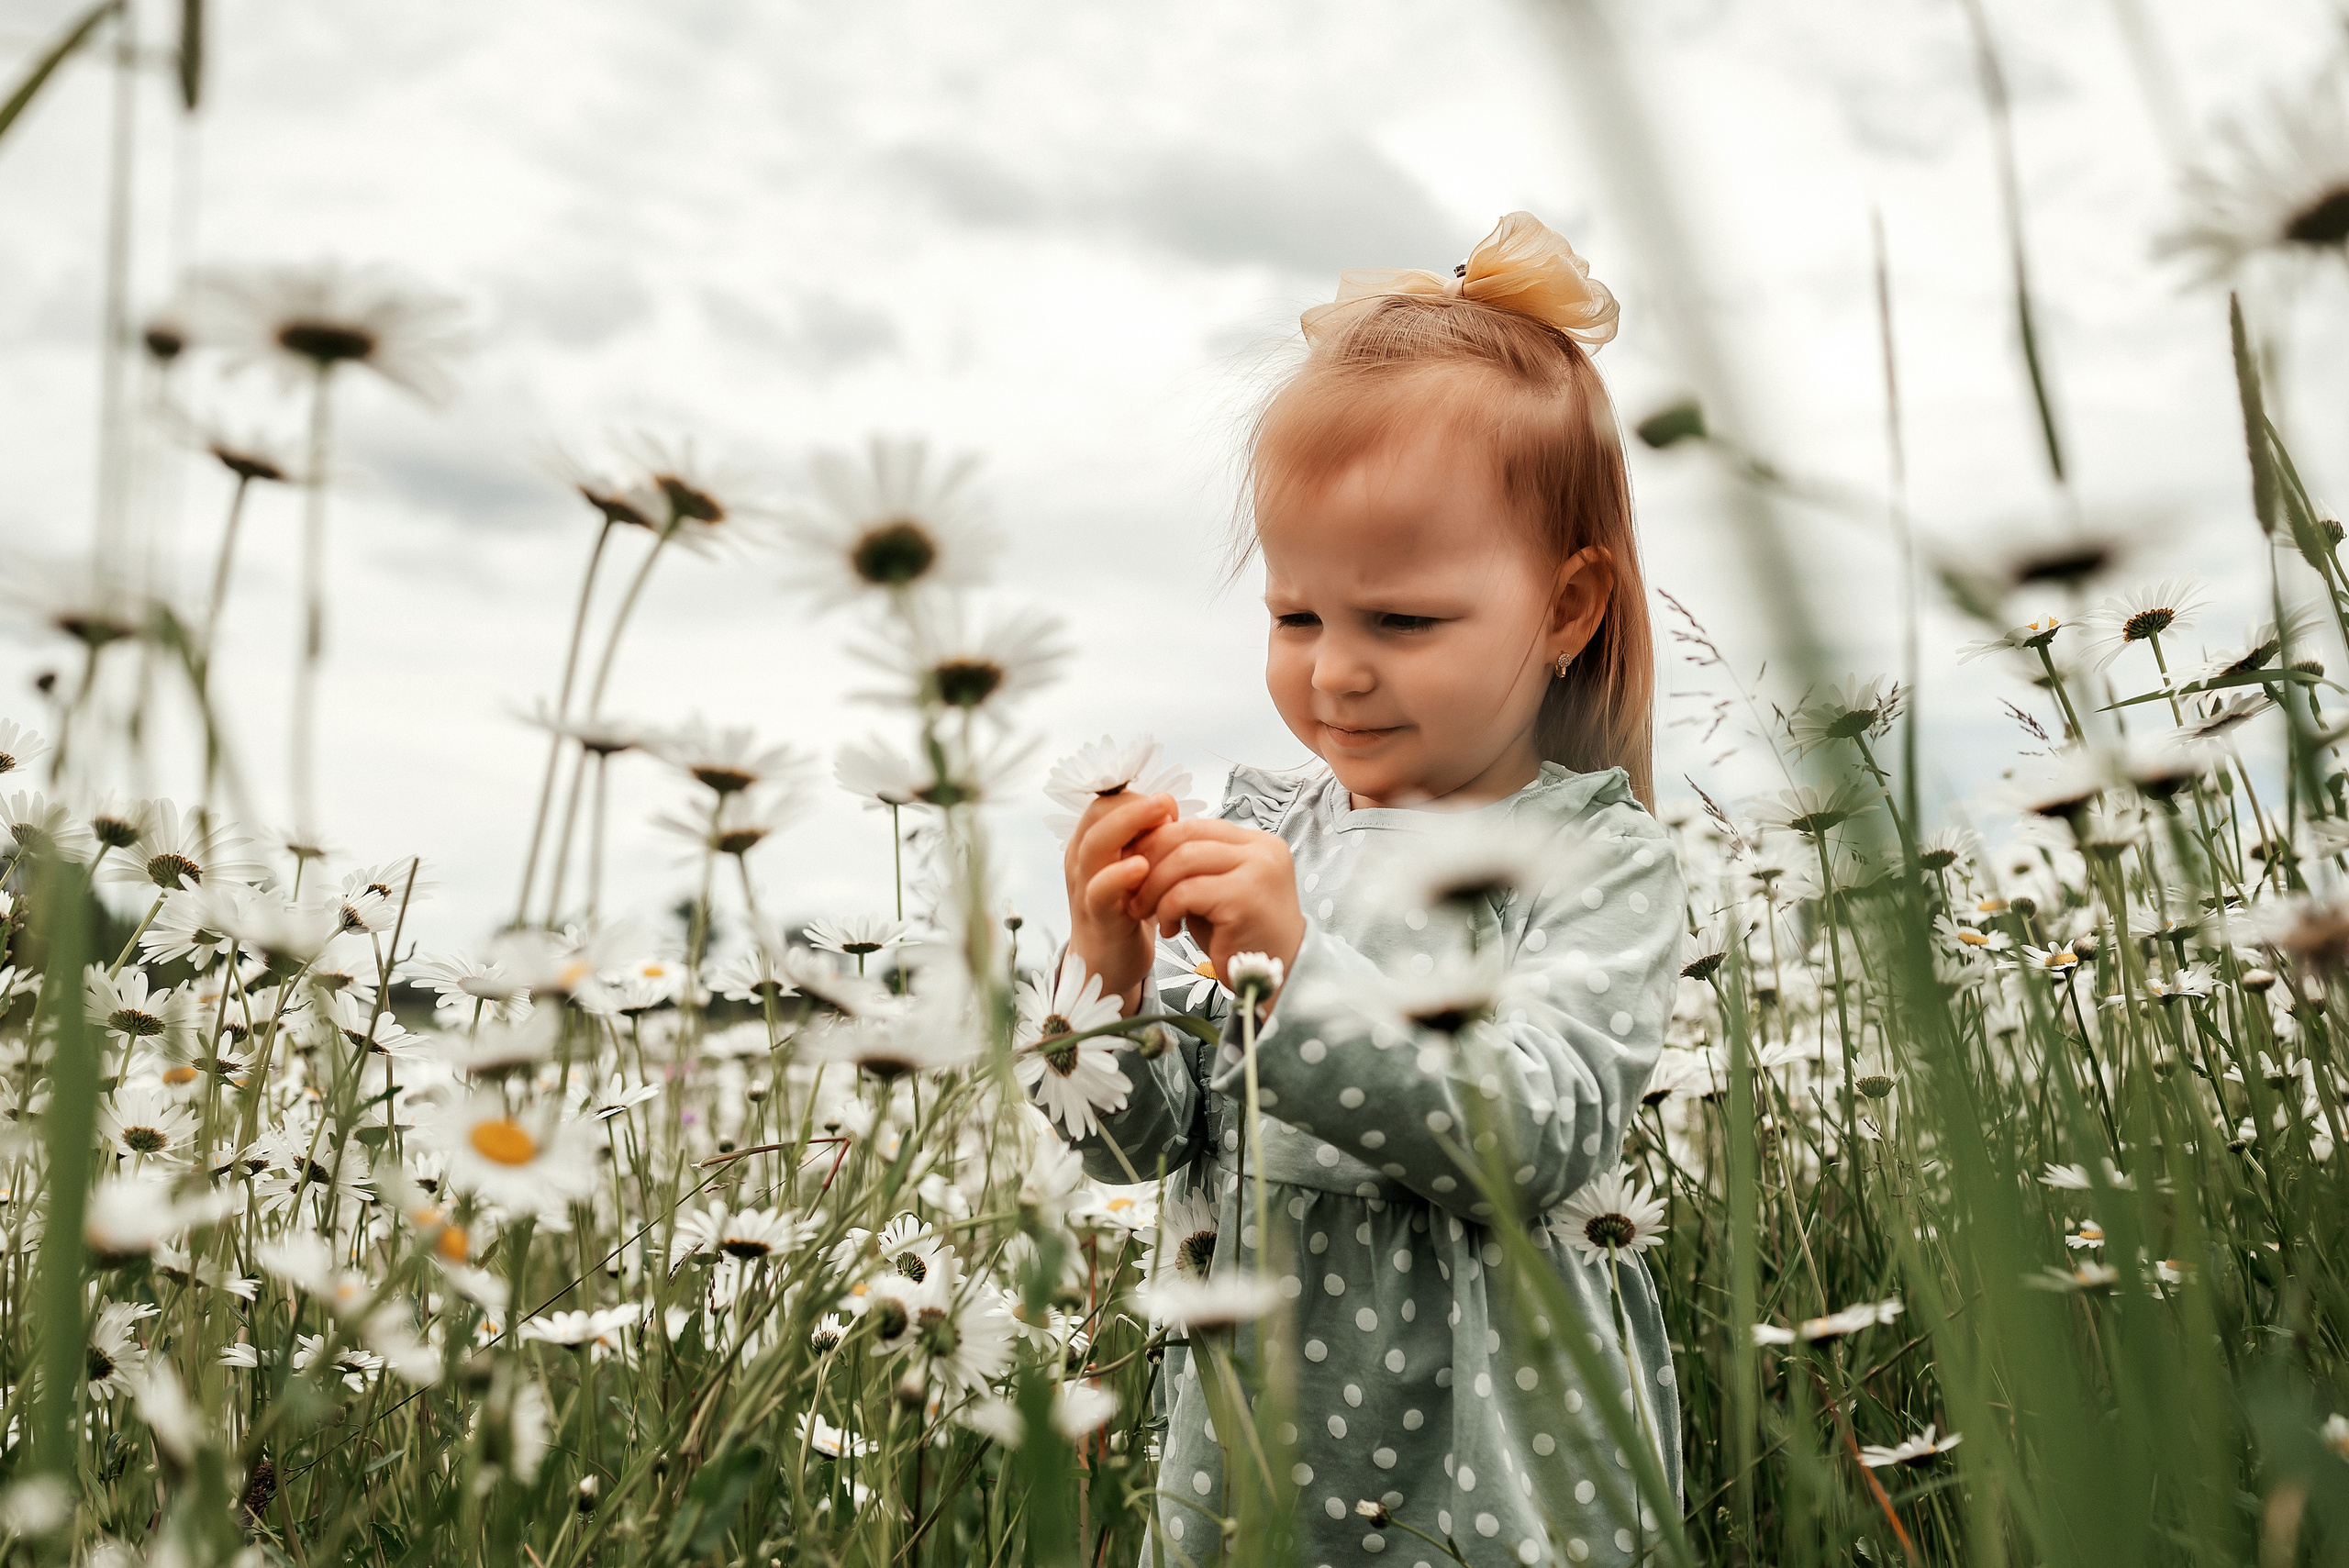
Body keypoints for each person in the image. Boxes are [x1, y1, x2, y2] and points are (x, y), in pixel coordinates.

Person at [1057, 213, 1686, 1567]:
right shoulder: (1267, 834)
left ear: (1566, 608)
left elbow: (1536, 1135)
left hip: (1492, 1468)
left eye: (1402, 620)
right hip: (1249, 1462)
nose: (1335, 670)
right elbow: (1132, 1152)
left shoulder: (1594, 857)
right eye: (1297, 616)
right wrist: (1106, 976)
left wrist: (1295, 968)